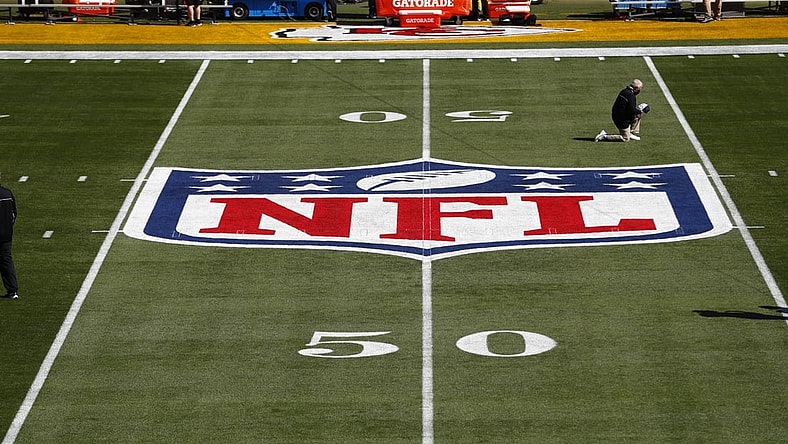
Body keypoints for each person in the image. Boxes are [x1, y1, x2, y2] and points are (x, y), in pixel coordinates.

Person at [0, 172, 18, 300]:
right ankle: (12, 290)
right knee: (6, 262)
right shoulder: (7, 193)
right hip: (6, 235)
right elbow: (14, 214)